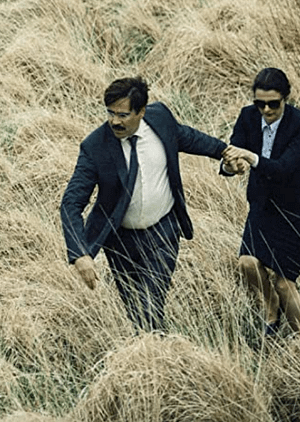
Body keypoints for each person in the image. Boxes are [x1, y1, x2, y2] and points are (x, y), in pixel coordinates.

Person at [60, 77, 232, 333]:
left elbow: (187, 137)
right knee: (136, 311)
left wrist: (224, 151)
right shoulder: (95, 147)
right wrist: (79, 253)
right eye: (110, 113)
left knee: (150, 306)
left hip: (163, 232)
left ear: (141, 112)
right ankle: (152, 354)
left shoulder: (160, 118)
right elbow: (71, 202)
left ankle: (157, 354)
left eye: (123, 114)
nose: (114, 121)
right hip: (120, 242)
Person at [220, 67, 300, 337]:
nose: (266, 110)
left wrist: (250, 157)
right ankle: (270, 305)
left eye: (273, 104)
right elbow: (232, 154)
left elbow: (284, 168)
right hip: (264, 202)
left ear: (286, 99)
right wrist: (232, 166)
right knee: (246, 263)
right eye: (260, 103)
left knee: (283, 281)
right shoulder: (247, 116)